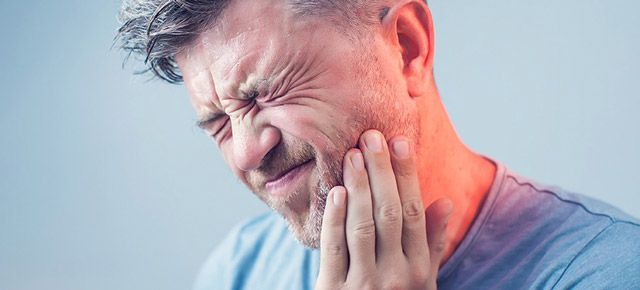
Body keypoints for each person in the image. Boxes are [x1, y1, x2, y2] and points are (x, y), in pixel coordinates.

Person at [115, 0, 640, 289]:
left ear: (408, 48)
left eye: (265, 93)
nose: (246, 152)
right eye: (217, 124)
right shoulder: (236, 272)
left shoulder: (610, 274)